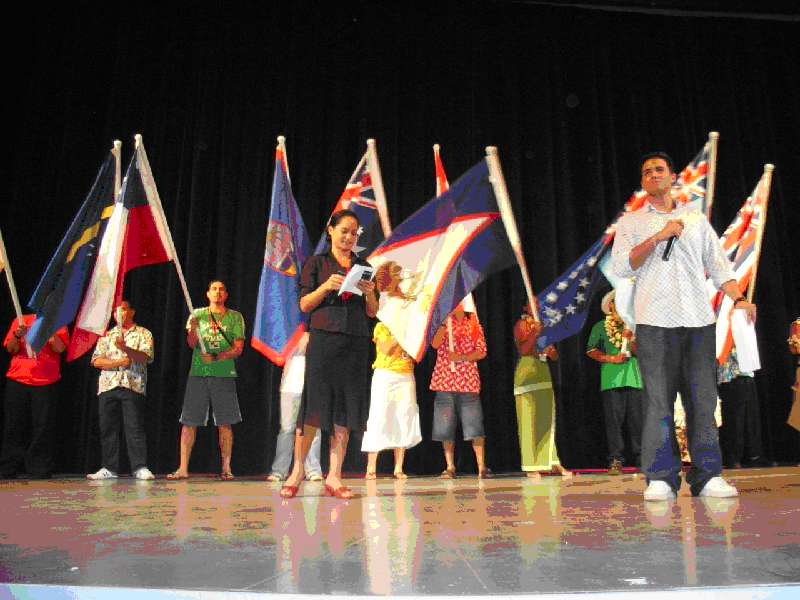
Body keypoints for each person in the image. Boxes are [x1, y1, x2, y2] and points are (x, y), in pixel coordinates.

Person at [611, 151, 757, 501]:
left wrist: (739, 298)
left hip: (697, 322)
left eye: (659, 169)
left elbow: (720, 267)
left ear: (673, 176)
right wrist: (658, 237)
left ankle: (708, 477)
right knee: (658, 404)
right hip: (654, 323)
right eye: (647, 172)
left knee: (702, 403)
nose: (653, 174)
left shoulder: (695, 219)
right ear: (642, 182)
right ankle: (661, 478)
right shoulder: (631, 222)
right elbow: (622, 267)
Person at [279, 210, 378, 499]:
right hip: (324, 342)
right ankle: (297, 471)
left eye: (354, 233)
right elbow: (304, 305)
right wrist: (326, 286)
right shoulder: (317, 263)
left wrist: (370, 293)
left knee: (344, 411)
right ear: (331, 230)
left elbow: (373, 311)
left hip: (355, 344)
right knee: (314, 409)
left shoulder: (364, 266)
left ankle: (334, 476)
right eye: (344, 230)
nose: (349, 237)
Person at [167, 280, 245, 481]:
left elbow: (238, 348)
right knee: (189, 421)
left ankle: (226, 468)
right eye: (214, 289)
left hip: (224, 374)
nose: (217, 292)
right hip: (198, 373)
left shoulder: (235, 317)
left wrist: (217, 357)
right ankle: (183, 468)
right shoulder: (197, 314)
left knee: (225, 422)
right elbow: (191, 343)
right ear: (208, 293)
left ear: (226, 295)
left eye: (221, 289)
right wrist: (193, 330)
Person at [361, 261, 422, 479]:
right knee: (379, 415)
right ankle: (371, 466)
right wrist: (400, 333)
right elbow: (386, 348)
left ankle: (399, 467)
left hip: (405, 372)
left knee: (404, 415)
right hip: (385, 373)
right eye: (396, 273)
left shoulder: (407, 309)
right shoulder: (382, 323)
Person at [87, 300, 155, 480]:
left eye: (123, 310)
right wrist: (118, 362)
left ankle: (139, 467)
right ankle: (109, 468)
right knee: (108, 428)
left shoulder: (143, 333)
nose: (118, 314)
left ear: (131, 312)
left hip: (132, 384)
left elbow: (145, 357)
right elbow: (96, 361)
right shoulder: (106, 335)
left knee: (134, 427)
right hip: (108, 385)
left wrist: (125, 348)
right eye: (115, 311)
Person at [0, 315, 68, 479]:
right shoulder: (21, 320)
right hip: (18, 379)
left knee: (43, 427)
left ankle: (39, 468)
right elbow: (11, 349)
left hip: (46, 381)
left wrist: (49, 331)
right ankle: (9, 467)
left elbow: (60, 348)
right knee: (14, 425)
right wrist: (17, 335)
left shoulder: (58, 321)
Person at [430, 302, 491, 479]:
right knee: (445, 426)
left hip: (468, 381)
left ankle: (481, 466)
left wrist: (461, 357)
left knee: (474, 425)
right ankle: (450, 466)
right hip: (444, 381)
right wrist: (443, 324)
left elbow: (481, 351)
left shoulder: (473, 324)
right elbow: (434, 344)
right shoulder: (441, 322)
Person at [586, 290, 643, 475]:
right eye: (617, 302)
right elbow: (591, 351)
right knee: (614, 423)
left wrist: (631, 339)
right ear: (610, 306)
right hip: (611, 380)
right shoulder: (600, 326)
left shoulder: (634, 326)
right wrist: (611, 359)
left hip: (634, 379)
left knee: (637, 421)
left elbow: (642, 352)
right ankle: (615, 459)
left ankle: (641, 458)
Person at [513, 300, 572, 481]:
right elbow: (524, 350)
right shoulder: (521, 324)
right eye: (532, 303)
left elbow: (554, 355)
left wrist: (550, 351)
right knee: (528, 422)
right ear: (525, 307)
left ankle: (552, 461)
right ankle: (531, 465)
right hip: (526, 375)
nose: (536, 306)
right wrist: (534, 333)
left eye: (538, 303)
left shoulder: (544, 326)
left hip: (543, 374)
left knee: (546, 421)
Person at [265, 333, 323, 482]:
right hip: (289, 385)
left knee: (313, 428)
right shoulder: (286, 331)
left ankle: (313, 470)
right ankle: (279, 470)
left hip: (312, 385)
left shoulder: (317, 331)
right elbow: (277, 351)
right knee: (286, 429)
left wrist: (311, 339)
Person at [717, 346, 765, 469]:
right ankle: (732, 457)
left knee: (749, 419)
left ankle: (751, 455)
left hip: (746, 376)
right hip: (731, 376)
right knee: (734, 420)